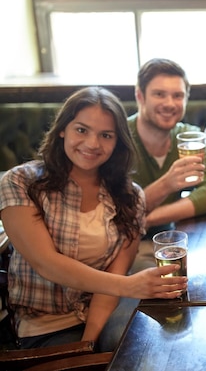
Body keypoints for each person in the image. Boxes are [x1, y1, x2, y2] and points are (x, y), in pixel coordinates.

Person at [0, 87, 187, 350]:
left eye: (106, 135)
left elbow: (113, 280)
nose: (92, 144)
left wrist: (89, 342)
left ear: (117, 142)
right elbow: (46, 264)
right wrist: (129, 285)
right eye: (81, 130)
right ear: (63, 129)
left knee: (164, 343)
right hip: (46, 324)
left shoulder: (130, 196)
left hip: (108, 311)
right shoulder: (21, 182)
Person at [128, 58, 206, 270]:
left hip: (170, 242)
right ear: (140, 96)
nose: (170, 104)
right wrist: (167, 184)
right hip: (123, 248)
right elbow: (120, 216)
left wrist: (149, 219)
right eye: (159, 94)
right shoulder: (117, 138)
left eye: (178, 96)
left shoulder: (187, 136)